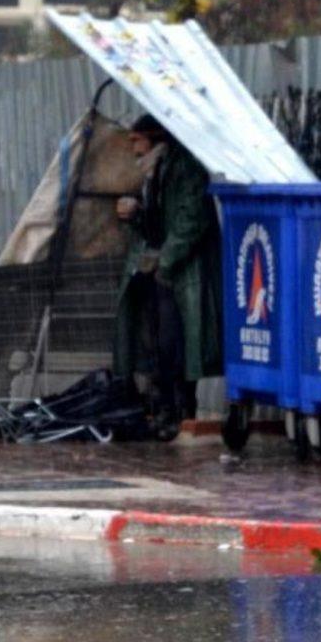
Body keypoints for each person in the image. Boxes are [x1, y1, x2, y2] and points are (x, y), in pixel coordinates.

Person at [115, 114, 223, 440]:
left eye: (136, 141)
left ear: (153, 138)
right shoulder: (156, 171)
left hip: (181, 272)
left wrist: (167, 261)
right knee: (161, 345)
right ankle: (165, 410)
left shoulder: (184, 167)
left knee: (176, 345)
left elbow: (192, 219)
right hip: (165, 271)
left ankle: (180, 411)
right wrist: (136, 215)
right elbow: (157, 222)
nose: (133, 149)